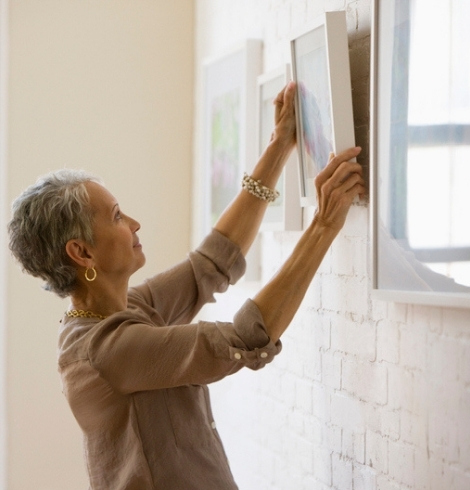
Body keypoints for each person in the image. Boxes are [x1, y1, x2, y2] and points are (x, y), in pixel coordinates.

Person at [7, 81, 365, 489]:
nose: (134, 224)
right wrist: (322, 225)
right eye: (118, 216)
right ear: (82, 254)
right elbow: (248, 337)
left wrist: (279, 145)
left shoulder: (121, 311)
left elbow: (212, 262)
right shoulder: (107, 350)